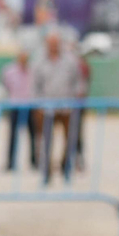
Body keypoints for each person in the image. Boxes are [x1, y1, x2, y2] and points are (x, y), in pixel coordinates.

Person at [30, 32, 87, 183]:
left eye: (56, 43)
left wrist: (77, 97)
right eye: (51, 43)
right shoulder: (39, 62)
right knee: (46, 141)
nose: (53, 46)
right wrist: (39, 104)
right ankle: (46, 171)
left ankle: (65, 167)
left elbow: (79, 81)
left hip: (67, 107)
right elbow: (35, 85)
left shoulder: (70, 61)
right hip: (46, 107)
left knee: (70, 139)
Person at [0, 50, 36, 171]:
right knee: (13, 136)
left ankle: (34, 161)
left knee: (33, 136)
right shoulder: (9, 71)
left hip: (30, 105)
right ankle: (11, 163)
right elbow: (6, 85)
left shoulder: (32, 71)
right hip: (15, 105)